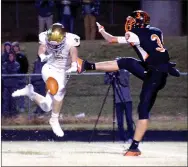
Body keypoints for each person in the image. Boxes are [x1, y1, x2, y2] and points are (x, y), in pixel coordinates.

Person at [77, 10, 180, 156]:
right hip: (154, 69)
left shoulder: (134, 34)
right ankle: (87, 66)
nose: (129, 23)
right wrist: (102, 31)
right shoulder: (157, 31)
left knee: (143, 109)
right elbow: (155, 51)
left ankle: (134, 147)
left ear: (138, 22)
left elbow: (112, 40)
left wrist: (103, 32)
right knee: (127, 62)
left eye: (132, 20)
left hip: (155, 74)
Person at [12, 23, 81, 137]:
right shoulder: (45, 36)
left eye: (56, 43)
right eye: (51, 43)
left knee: (47, 106)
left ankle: (30, 93)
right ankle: (54, 120)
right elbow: (42, 47)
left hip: (64, 72)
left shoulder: (70, 39)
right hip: (50, 68)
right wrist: (42, 56)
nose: (53, 46)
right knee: (60, 90)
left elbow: (73, 51)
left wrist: (74, 64)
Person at [104, 69, 134, 142]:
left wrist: (118, 74)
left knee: (129, 119)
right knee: (120, 121)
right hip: (118, 101)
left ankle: (130, 137)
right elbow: (107, 82)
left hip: (127, 100)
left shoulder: (124, 72)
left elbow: (125, 82)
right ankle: (122, 137)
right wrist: (108, 74)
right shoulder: (113, 74)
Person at [12, 41, 29, 113]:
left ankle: (22, 107)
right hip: (13, 77)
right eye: (13, 47)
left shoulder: (22, 56)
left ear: (18, 47)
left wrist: (22, 73)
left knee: (21, 92)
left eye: (16, 46)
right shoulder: (11, 56)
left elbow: (26, 66)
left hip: (21, 76)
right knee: (14, 92)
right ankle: (14, 107)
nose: (15, 48)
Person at [2, 52, 20, 117]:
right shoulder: (5, 64)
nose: (10, 57)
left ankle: (13, 115)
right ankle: (6, 115)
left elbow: (15, 72)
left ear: (14, 57)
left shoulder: (17, 64)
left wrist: (9, 73)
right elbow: (5, 72)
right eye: (9, 56)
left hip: (14, 85)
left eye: (11, 56)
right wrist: (10, 73)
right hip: (6, 85)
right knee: (6, 101)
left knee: (13, 101)